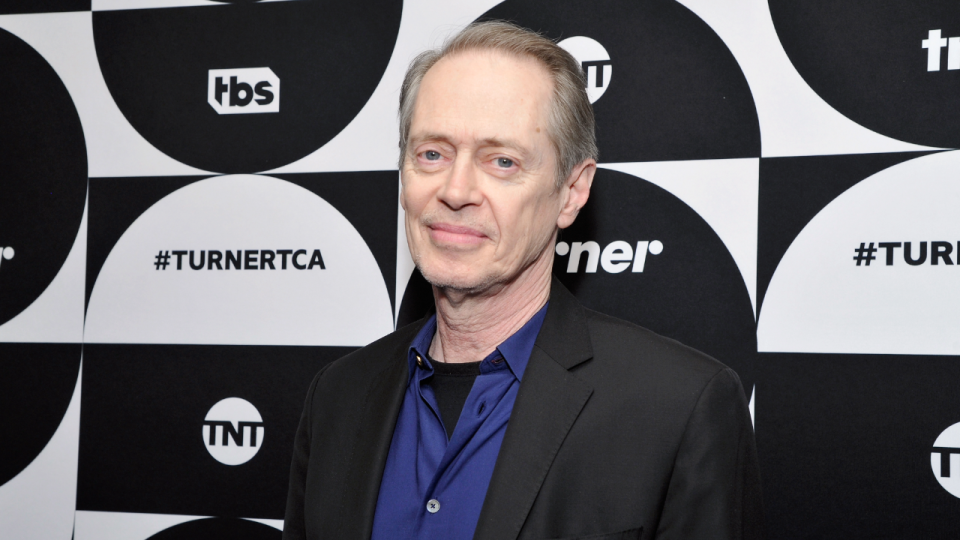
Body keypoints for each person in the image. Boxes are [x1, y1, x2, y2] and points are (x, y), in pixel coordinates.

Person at [283, 21, 762, 540]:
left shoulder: (679, 408)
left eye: (503, 161)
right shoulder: (337, 396)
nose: (456, 189)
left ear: (572, 192)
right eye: (432, 154)